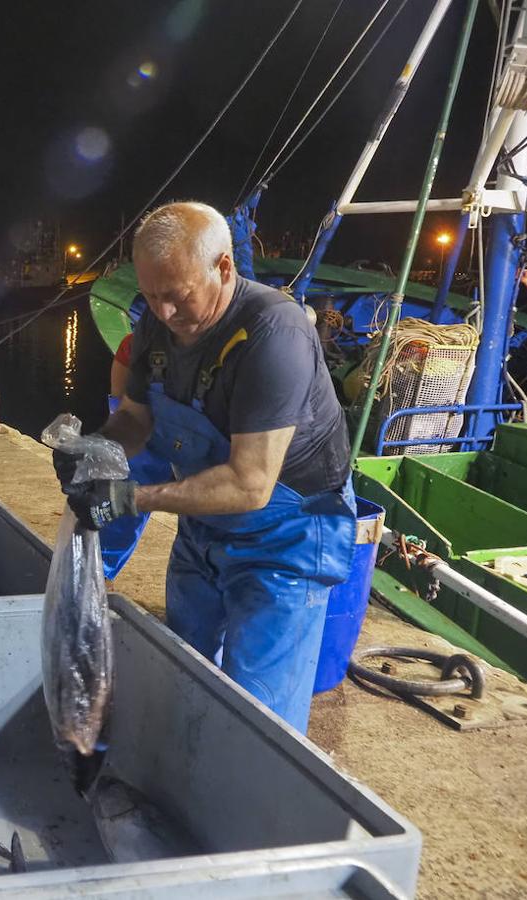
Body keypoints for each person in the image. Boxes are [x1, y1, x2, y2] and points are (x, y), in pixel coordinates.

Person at [53, 201, 354, 733]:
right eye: (150, 296)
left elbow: (250, 483)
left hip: (285, 538)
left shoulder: (272, 333)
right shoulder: (155, 326)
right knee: (183, 678)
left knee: (258, 718)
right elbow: (136, 420)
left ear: (224, 268)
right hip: (204, 526)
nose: (163, 313)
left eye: (176, 295)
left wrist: (130, 498)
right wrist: (94, 448)